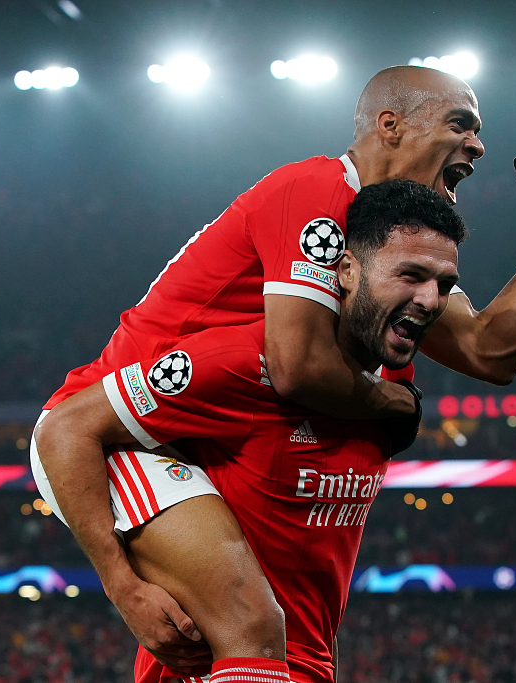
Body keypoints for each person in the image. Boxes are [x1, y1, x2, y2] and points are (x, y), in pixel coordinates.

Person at [33, 64, 516, 674]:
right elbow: (295, 366)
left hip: (202, 427)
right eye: (461, 125)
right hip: (117, 431)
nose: (478, 145)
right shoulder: (316, 193)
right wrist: (391, 404)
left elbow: (488, 353)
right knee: (253, 624)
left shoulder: (388, 243)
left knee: (278, 643)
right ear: (391, 126)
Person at [37, 180, 467, 683]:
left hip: (302, 665)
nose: (429, 300)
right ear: (347, 270)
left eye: (444, 285)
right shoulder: (243, 362)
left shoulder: (393, 380)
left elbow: (496, 356)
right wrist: (123, 587)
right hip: (221, 664)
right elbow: (65, 427)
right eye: (411, 275)